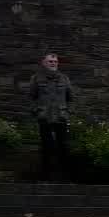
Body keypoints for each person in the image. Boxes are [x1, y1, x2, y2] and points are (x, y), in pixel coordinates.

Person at [30, 53, 73, 181]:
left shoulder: (64, 79)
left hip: (61, 116)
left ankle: (65, 176)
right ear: (44, 63)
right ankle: (45, 176)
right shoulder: (36, 78)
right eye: (50, 61)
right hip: (45, 117)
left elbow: (70, 98)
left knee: (63, 146)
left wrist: (67, 112)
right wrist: (37, 111)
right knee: (46, 146)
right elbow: (32, 97)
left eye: (55, 61)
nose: (53, 63)